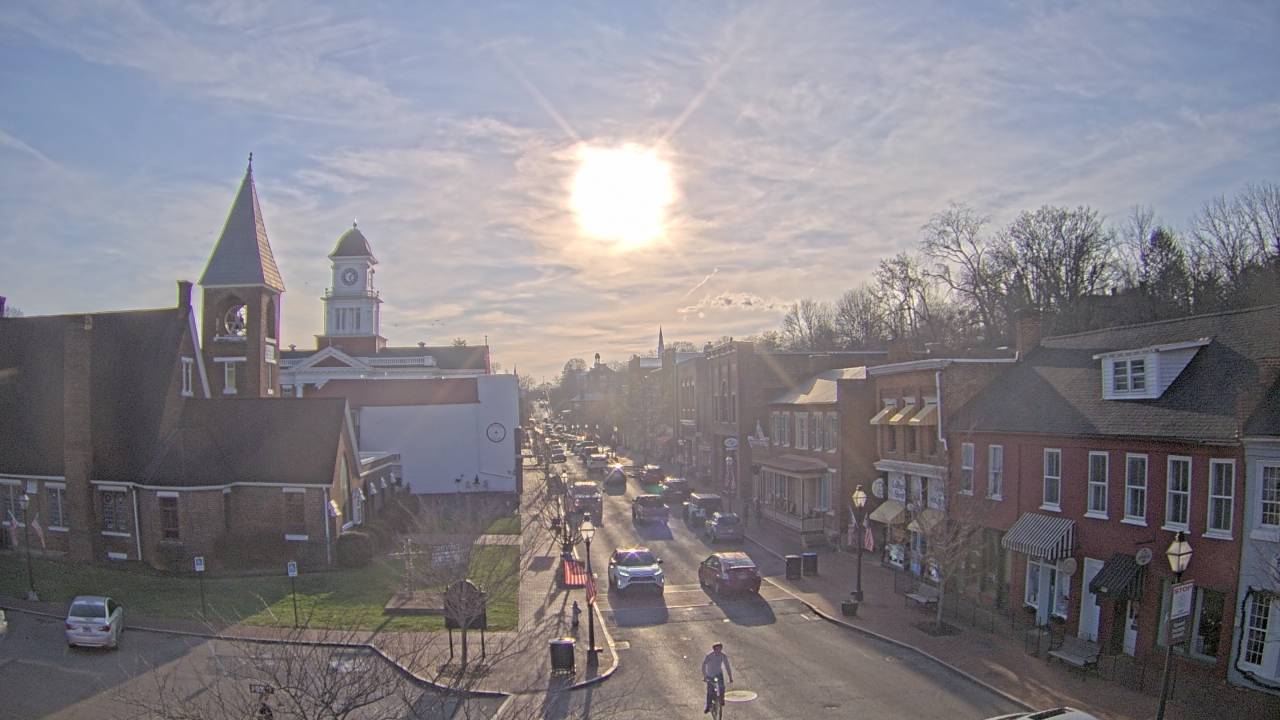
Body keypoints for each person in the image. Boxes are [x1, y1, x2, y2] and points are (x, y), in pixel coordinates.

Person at [701, 642, 733, 713]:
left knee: (722, 687)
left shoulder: (723, 656)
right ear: (714, 649)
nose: (718, 651)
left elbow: (727, 666)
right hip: (710, 675)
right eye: (717, 649)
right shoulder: (709, 656)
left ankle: (721, 699)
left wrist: (730, 677)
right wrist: (705, 676)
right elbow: (704, 665)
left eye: (720, 649)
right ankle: (708, 706)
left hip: (718, 674)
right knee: (710, 691)